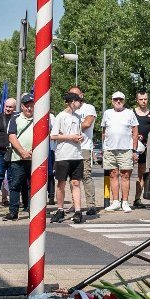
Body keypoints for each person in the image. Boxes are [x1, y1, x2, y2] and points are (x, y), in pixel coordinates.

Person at [51, 91, 89, 223]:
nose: (80, 104)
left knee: (76, 182)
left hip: (76, 155)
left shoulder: (78, 117)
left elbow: (77, 133)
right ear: (72, 102)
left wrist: (79, 137)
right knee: (61, 183)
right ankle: (60, 209)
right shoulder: (61, 116)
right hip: (63, 155)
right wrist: (69, 137)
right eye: (79, 101)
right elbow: (53, 135)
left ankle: (78, 211)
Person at [101, 90, 139, 213]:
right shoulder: (107, 113)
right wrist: (103, 147)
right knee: (113, 174)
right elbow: (104, 131)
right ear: (112, 101)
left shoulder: (130, 113)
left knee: (125, 175)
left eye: (120, 99)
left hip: (126, 149)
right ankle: (115, 201)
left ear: (124, 101)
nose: (118, 101)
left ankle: (125, 202)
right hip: (110, 149)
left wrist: (134, 150)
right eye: (116, 99)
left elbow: (135, 132)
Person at [5, 93, 36, 221]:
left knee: (34, 186)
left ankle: (32, 210)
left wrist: (35, 152)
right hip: (18, 158)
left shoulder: (40, 118)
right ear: (22, 106)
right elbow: (12, 136)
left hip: (35, 159)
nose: (29, 108)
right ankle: (13, 212)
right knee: (15, 185)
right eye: (27, 106)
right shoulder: (15, 118)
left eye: (32, 105)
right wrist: (22, 151)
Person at [130, 91, 150, 207]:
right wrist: (134, 135)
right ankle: (123, 199)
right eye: (141, 99)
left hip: (146, 148)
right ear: (137, 100)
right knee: (126, 173)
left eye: (145, 99)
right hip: (132, 147)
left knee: (141, 174)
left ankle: (137, 199)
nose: (143, 101)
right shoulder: (131, 113)